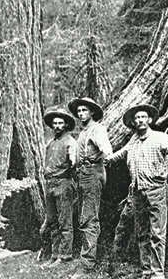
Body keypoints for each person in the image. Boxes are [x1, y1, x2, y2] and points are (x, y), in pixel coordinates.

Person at [106, 104, 168, 279]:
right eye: (137, 118)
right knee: (142, 233)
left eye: (143, 117)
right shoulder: (133, 140)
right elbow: (120, 154)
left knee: (157, 234)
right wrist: (105, 160)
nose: (140, 120)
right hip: (137, 192)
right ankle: (146, 271)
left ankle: (157, 274)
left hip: (156, 191)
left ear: (149, 119)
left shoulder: (160, 138)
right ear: (133, 123)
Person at [68, 97, 112, 268]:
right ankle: (85, 258)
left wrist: (108, 156)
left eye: (84, 110)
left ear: (92, 112)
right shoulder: (83, 132)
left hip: (93, 173)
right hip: (83, 175)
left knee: (89, 218)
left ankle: (87, 265)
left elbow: (106, 148)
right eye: (78, 111)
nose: (81, 114)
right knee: (83, 216)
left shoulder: (97, 129)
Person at [39, 108, 78, 267]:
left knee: (64, 221)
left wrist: (73, 161)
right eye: (55, 123)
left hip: (64, 182)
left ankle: (65, 255)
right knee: (53, 221)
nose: (57, 126)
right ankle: (55, 255)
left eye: (60, 123)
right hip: (50, 184)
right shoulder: (50, 143)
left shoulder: (70, 141)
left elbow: (74, 161)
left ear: (66, 124)